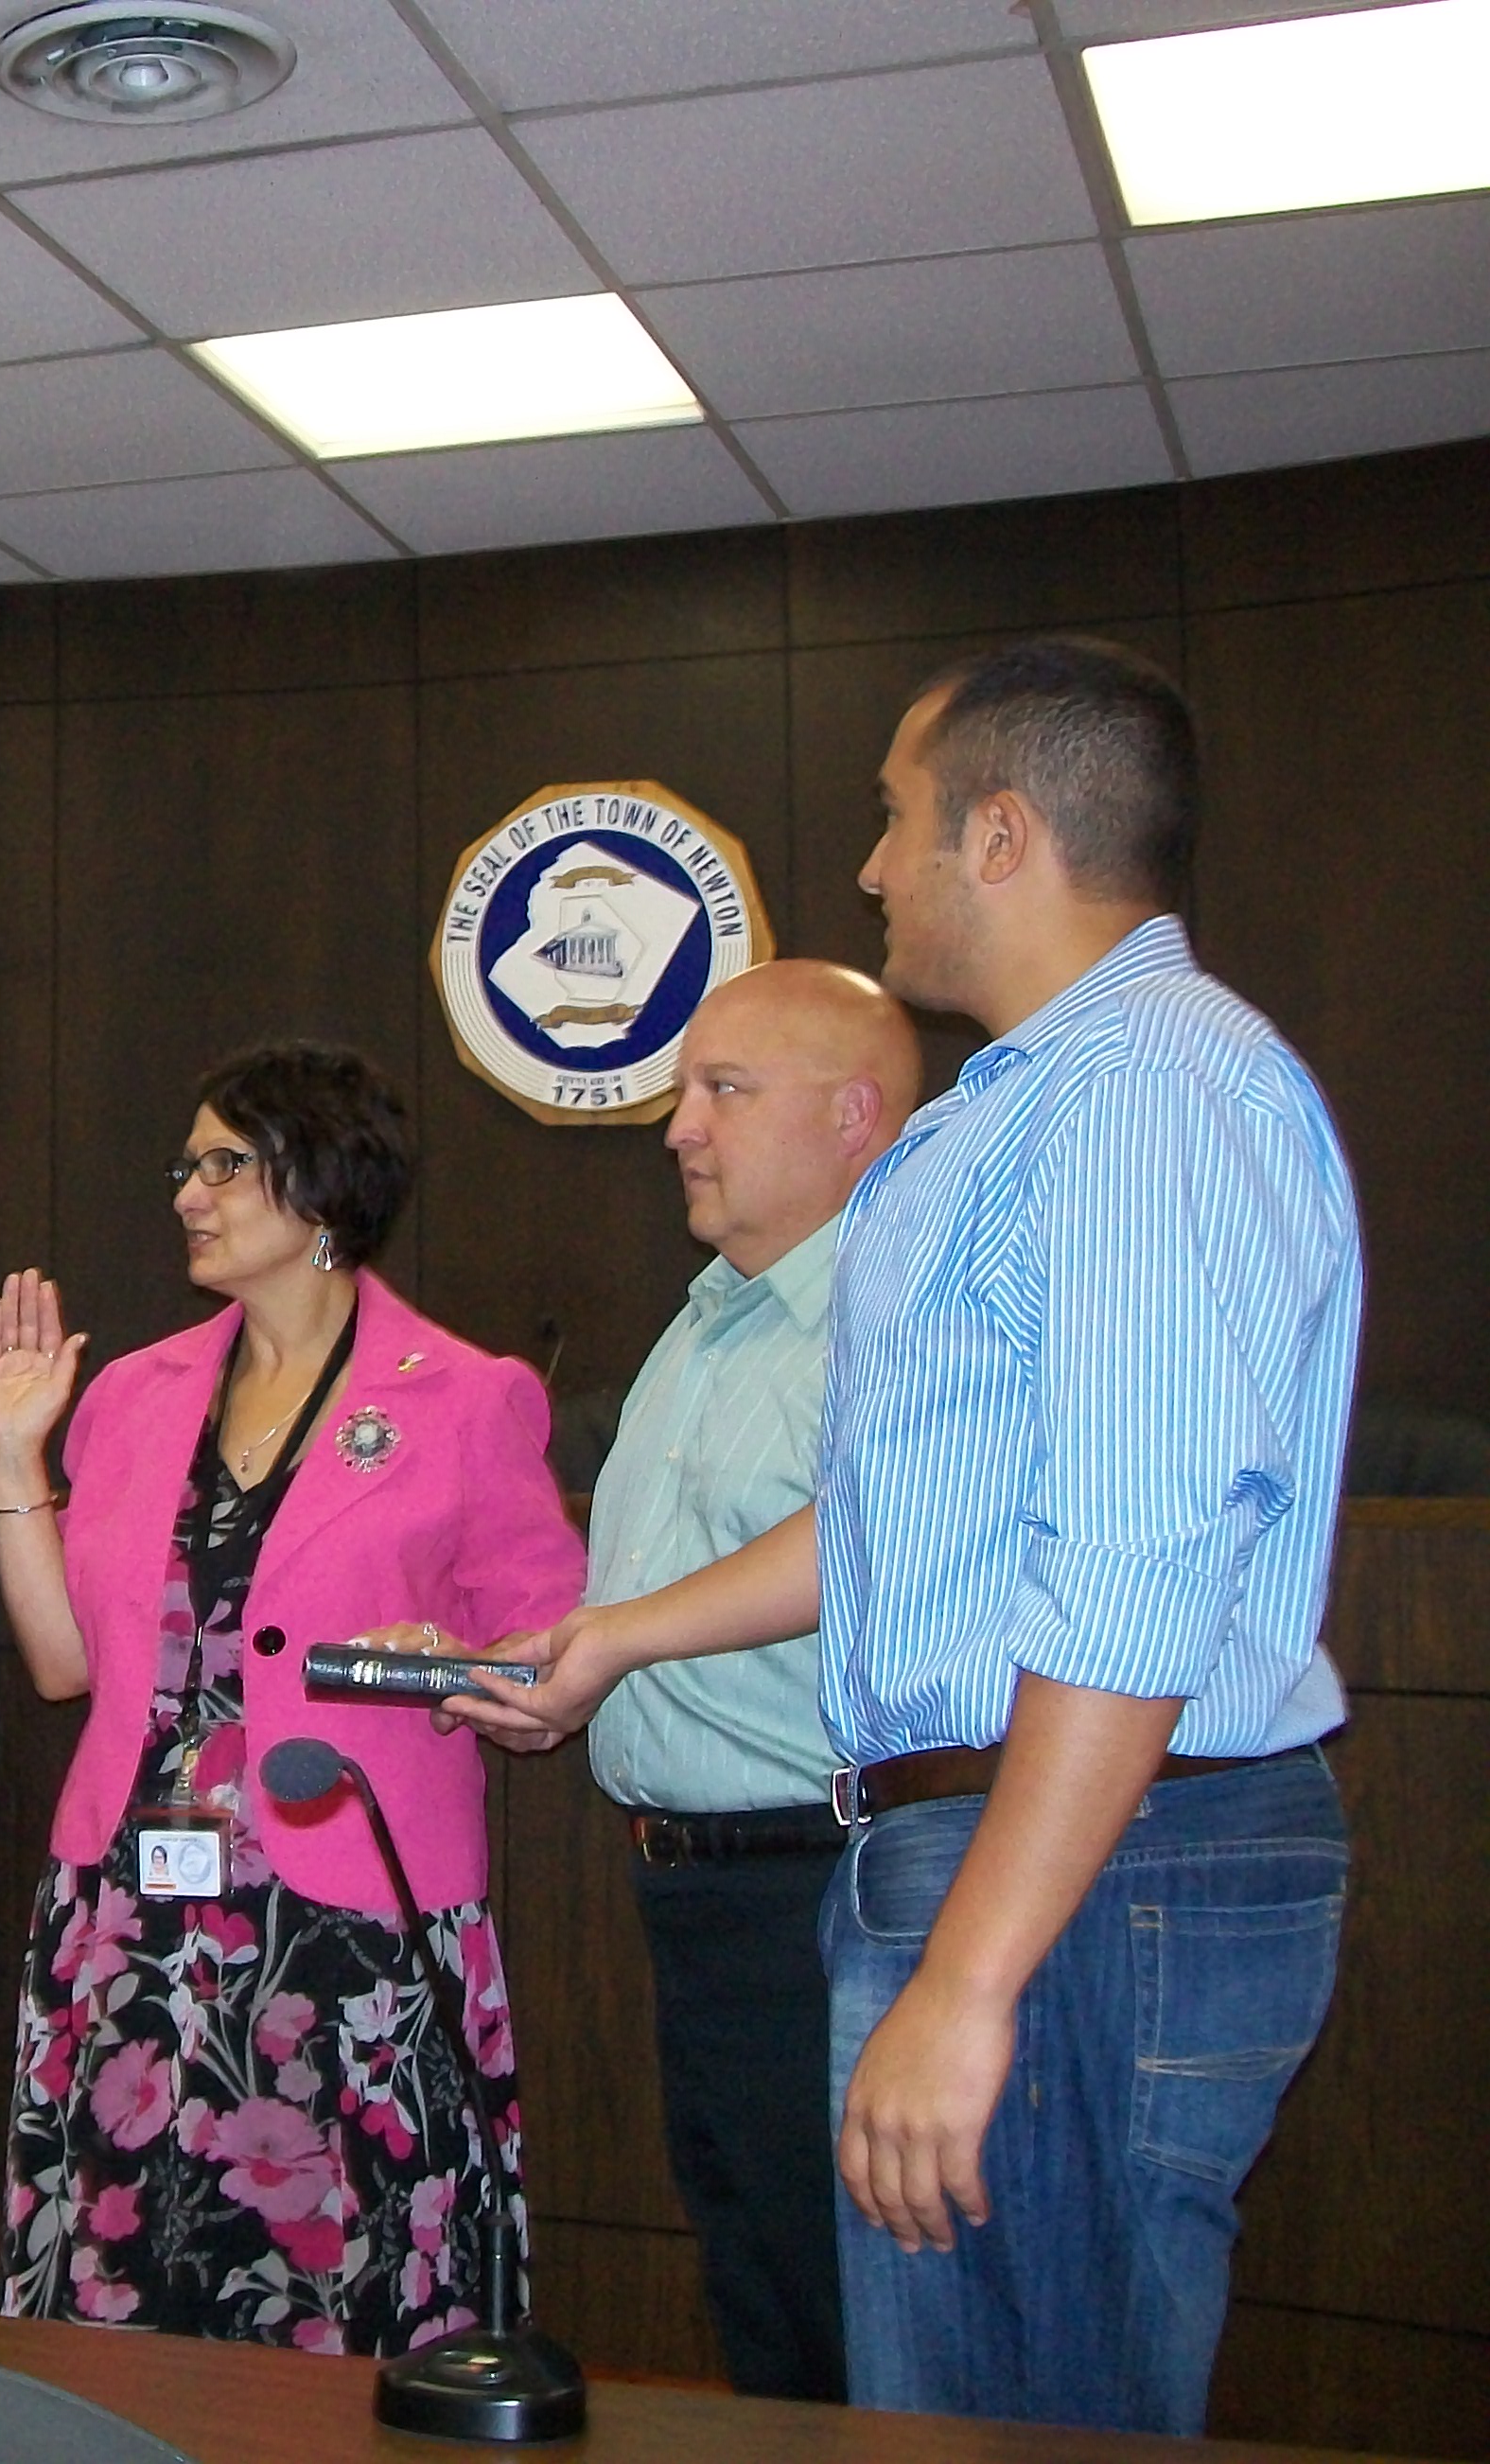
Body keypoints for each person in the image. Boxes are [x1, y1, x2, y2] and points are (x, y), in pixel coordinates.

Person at [455, 640, 1358, 2434]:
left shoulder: (1141, 1098)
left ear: (1002, 835)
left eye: (895, 821)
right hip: (1018, 1850)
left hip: (1092, 1862)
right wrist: (623, 1632)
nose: (871, 868)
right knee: (944, 2407)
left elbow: (1132, 1571)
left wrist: (971, 1978)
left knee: (1031, 2407)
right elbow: (901, 1533)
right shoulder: (1015, 1114)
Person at [0, 1041, 585, 2355]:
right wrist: (10, 1453)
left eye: (223, 1165)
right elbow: (63, 1664)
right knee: (130, 2290)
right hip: (136, 1917)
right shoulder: (131, 1398)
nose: (189, 1193)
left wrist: (447, 1667)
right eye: (186, 1167)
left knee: (349, 2301)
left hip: (352, 1931)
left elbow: (546, 1682)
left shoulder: (470, 1400)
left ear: (320, 1184)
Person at [580, 959, 919, 2403]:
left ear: (855, 1117)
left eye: (724, 1090)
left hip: (826, 1890)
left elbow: (863, 1540)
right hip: (702, 1897)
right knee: (767, 2307)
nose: (679, 1127)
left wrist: (614, 1639)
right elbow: (661, 1588)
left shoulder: (903, 1316)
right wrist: (544, 1653)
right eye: (677, 1091)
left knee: (856, 2328)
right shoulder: (715, 1312)